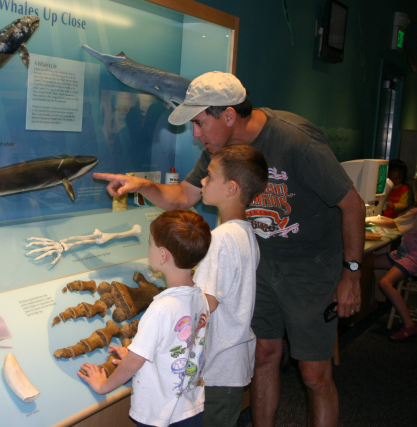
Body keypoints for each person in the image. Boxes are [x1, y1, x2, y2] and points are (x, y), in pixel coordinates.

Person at [93, 71, 365, 427]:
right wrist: (140, 185)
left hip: (310, 265)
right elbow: (183, 197)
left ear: (228, 115)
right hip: (261, 264)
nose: (196, 134)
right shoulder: (218, 152)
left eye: (200, 123)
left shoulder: (297, 141)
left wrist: (352, 274)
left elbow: (353, 205)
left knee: (314, 374)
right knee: (265, 356)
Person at [78, 209, 215, 427]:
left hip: (161, 414)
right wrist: (140, 351)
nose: (149, 249)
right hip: (190, 408)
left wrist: (104, 385)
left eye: (150, 244)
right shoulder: (200, 297)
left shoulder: (161, 307)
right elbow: (178, 344)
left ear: (162, 255)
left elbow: (133, 363)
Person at [192, 144, 267, 426]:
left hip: (217, 367)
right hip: (231, 362)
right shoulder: (246, 233)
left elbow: (204, 304)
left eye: (210, 176)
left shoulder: (221, 239)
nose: (202, 180)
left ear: (231, 188)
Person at [367, 209, 417, 340]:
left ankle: (409, 325)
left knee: (385, 283)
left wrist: (368, 219)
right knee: (368, 264)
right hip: (404, 253)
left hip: (413, 258)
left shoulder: (415, 213)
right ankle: (371, 303)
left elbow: (391, 224)